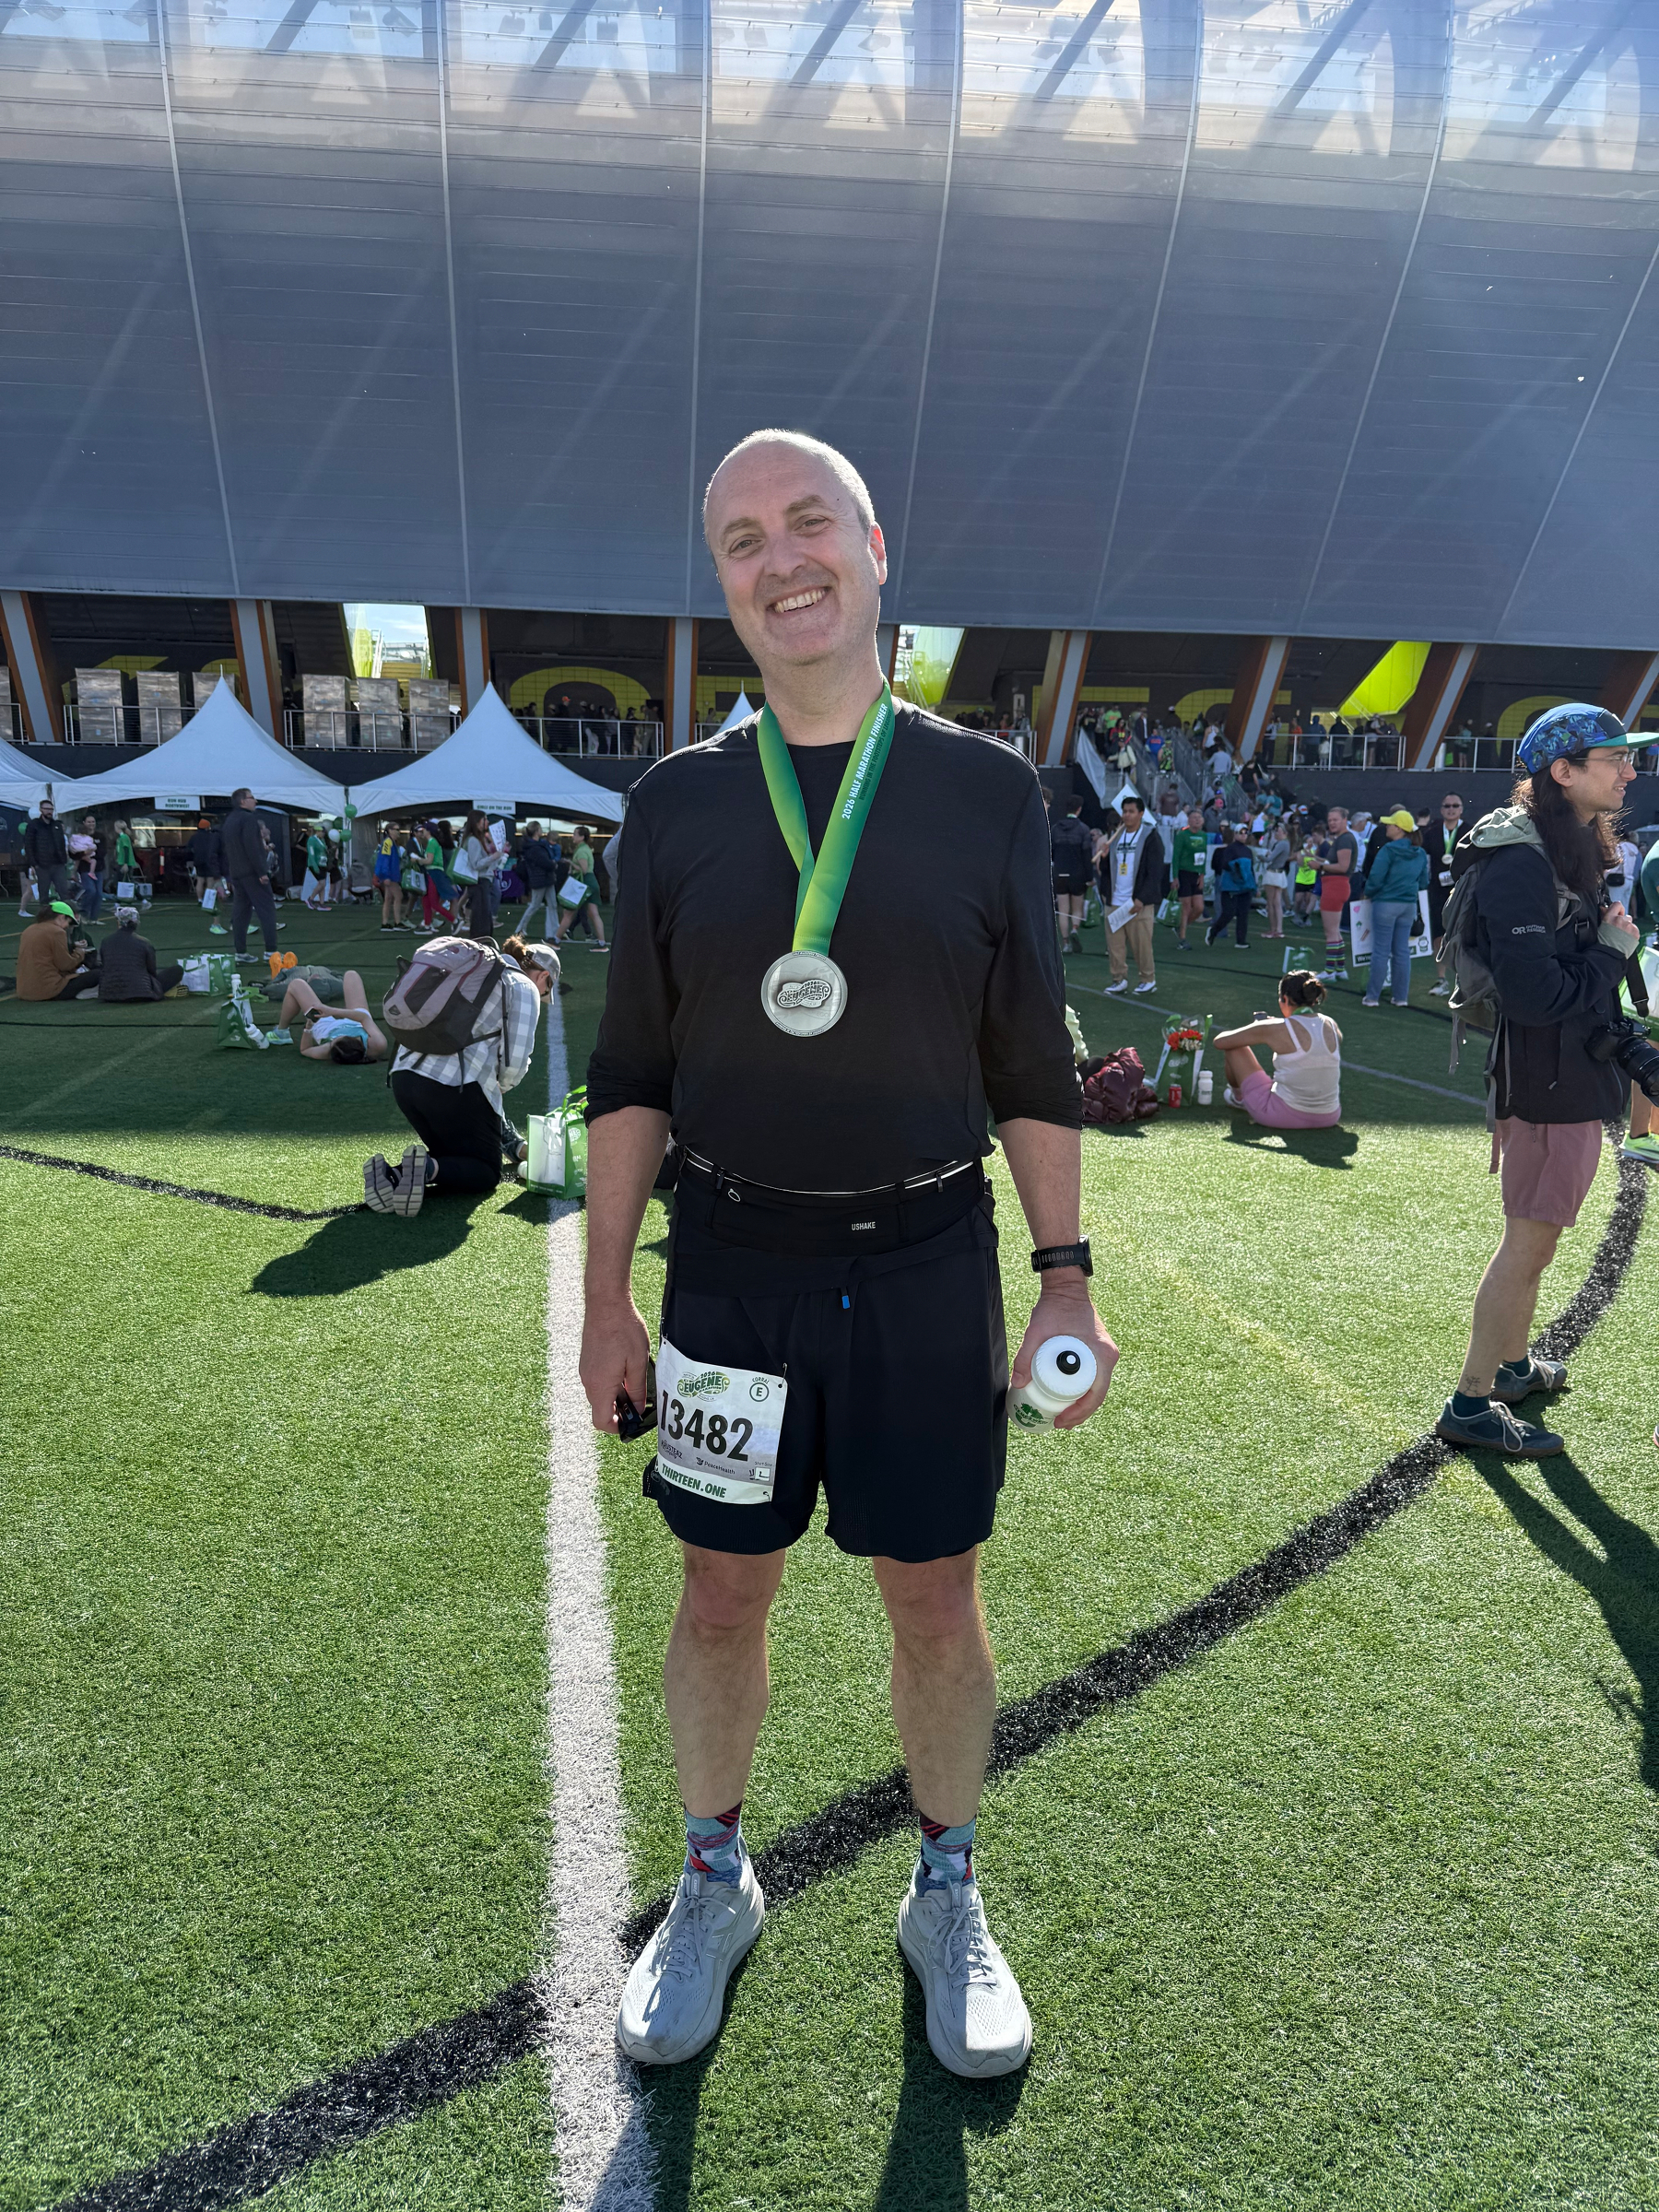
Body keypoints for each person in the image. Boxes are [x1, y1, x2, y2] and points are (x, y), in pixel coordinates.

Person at [582, 428, 1116, 2085]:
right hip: (728, 1272)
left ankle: (946, 1888)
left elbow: (1029, 1053)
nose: (779, 556)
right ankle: (710, 1877)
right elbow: (632, 1074)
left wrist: (1067, 1273)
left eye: (808, 521)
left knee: (935, 1600)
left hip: (923, 1263)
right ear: (724, 581)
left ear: (879, 548)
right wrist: (606, 1295)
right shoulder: (673, 806)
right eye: (741, 538)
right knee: (719, 1593)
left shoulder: (982, 789)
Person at [1434, 705, 1641, 1459]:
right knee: (1528, 1242)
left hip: (1566, 1071)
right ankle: (1469, 1402)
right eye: (1615, 758)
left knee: (1541, 1241)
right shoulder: (1523, 861)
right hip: (1546, 1077)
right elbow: (1534, 996)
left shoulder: (1564, 846)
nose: (1629, 772)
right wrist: (1615, 950)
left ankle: (1513, 1368)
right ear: (1563, 771)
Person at [364, 935, 558, 1213]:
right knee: (485, 1171)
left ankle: (391, 1175)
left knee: (454, 1156)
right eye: (545, 992)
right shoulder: (523, 986)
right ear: (544, 977)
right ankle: (422, 1168)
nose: (542, 997)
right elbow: (514, 1064)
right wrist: (498, 1091)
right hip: (455, 1086)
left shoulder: (473, 970)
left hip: (403, 1078)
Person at [1213, 971, 1342, 1130]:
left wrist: (1259, 1027)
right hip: (1329, 1116)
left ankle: (1238, 1098)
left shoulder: (1274, 1028)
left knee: (1234, 1047)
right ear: (1313, 1000)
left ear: (1285, 999)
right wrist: (1278, 1026)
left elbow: (1220, 1042)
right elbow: (1318, 1040)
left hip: (1283, 1116)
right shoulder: (1330, 1024)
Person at [1359, 809, 1430, 1008]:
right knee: (1402, 952)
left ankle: (1372, 997)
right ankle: (1401, 997)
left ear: (1399, 829)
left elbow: (1375, 879)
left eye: (1390, 824)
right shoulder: (1420, 853)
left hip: (1385, 904)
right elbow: (1424, 882)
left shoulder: (1388, 850)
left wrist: (1370, 892)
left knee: (1381, 951)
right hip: (1408, 906)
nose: (1387, 827)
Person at [1100, 793, 1165, 994]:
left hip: (1138, 902)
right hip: (1115, 901)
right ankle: (1119, 979)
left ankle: (1148, 979)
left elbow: (1155, 871)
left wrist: (1142, 898)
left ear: (1141, 814)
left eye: (1131, 812)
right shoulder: (1116, 835)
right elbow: (1108, 868)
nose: (1126, 815)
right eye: (1124, 811)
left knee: (1141, 945)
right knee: (1115, 946)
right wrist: (1103, 857)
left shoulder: (1150, 836)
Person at [274, 970, 388, 1060]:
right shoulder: (377, 1044)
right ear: (358, 1042)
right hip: (358, 1023)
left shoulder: (326, 1050)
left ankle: (281, 1033)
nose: (338, 1036)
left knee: (296, 984)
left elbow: (305, 1050)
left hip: (327, 1028)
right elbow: (364, 1018)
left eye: (334, 1040)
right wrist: (331, 1010)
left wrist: (308, 1029)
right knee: (351, 975)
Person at [223, 786, 281, 965]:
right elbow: (253, 848)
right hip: (252, 873)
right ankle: (271, 952)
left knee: (241, 913)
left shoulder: (230, 820)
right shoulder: (248, 819)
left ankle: (241, 952)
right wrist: (262, 872)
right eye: (251, 797)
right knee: (267, 910)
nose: (255, 800)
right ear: (243, 801)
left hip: (237, 873)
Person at [93, 906, 184, 1001]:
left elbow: (105, 966)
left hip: (108, 993)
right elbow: (151, 970)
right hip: (140, 992)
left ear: (118, 922)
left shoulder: (106, 941)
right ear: (136, 923)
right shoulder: (144, 942)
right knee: (177, 970)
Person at [17, 901, 100, 1001]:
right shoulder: (57, 932)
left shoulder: (29, 930)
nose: (67, 926)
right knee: (97, 974)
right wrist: (80, 952)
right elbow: (65, 965)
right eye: (68, 922)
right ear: (61, 917)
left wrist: (72, 946)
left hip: (24, 991)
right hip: (48, 991)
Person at [1314, 804, 1357, 976]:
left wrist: (1320, 866)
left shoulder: (1345, 839)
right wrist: (1316, 860)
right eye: (1330, 820)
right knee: (1335, 930)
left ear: (1345, 820)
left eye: (1335, 820)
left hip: (1335, 885)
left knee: (1330, 931)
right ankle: (1339, 969)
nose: (1332, 823)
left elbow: (1343, 866)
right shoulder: (1342, 838)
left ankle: (1330, 970)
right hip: (1337, 885)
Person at [1049, 794, 1094, 955]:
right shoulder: (1083, 829)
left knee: (1062, 910)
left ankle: (1066, 942)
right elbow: (1087, 856)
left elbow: (1051, 853)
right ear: (1079, 809)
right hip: (1077, 874)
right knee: (1077, 908)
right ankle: (1075, 929)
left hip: (1059, 873)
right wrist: (1090, 877)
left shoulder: (1055, 829)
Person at [556, 823, 607, 949]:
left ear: (582, 837)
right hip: (590, 882)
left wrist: (570, 863)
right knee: (594, 914)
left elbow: (583, 870)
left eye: (575, 834)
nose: (572, 836)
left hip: (584, 883)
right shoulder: (585, 849)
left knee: (568, 912)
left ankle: (556, 940)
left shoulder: (582, 850)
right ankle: (602, 943)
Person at [1206, 824, 1255, 948]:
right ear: (1235, 834)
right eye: (1241, 832)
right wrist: (1237, 870)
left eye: (1245, 832)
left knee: (1243, 914)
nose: (1243, 835)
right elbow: (1225, 864)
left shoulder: (1248, 851)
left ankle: (1241, 941)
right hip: (1231, 887)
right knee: (1228, 913)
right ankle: (1213, 931)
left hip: (1245, 887)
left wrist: (1254, 885)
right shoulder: (1230, 849)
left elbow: (1251, 870)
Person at [455, 810, 502, 938]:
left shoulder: (478, 839)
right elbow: (476, 864)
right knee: (482, 916)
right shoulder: (473, 840)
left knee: (483, 915)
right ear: (477, 822)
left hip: (482, 881)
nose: (487, 822)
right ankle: (480, 939)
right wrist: (494, 857)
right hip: (479, 881)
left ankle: (480, 938)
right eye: (484, 819)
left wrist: (496, 855)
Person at [23, 802, 72, 915]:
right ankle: (44, 917)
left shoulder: (57, 825)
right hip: (42, 864)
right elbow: (29, 845)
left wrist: (64, 860)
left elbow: (61, 844)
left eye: (51, 809)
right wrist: (34, 864)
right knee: (44, 893)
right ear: (41, 809)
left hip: (58, 863)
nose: (49, 811)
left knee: (64, 891)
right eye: (47, 809)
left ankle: (67, 915)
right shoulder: (34, 825)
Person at [1170, 806, 1207, 949]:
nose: (1197, 820)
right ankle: (1183, 939)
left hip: (1196, 874)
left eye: (1199, 818)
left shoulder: (1204, 836)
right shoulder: (1182, 835)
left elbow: (1204, 856)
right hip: (1184, 873)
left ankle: (1181, 927)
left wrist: (1202, 875)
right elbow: (1176, 857)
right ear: (1189, 820)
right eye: (1194, 818)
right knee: (1185, 907)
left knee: (1198, 907)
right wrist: (1175, 877)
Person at [517, 820, 560, 934]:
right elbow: (545, 863)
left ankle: (554, 930)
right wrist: (553, 864)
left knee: (551, 905)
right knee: (536, 905)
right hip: (541, 879)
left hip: (544, 878)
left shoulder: (533, 846)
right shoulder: (536, 848)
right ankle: (520, 928)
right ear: (537, 831)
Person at [1257, 818, 1290, 939]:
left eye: (1278, 831)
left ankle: (1273, 929)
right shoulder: (1286, 844)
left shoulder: (1282, 844)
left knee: (1271, 903)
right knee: (1277, 902)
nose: (1276, 833)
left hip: (1273, 873)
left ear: (1284, 833)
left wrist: (1261, 857)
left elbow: (1269, 859)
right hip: (1280, 873)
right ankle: (1279, 929)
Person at [374, 823, 407, 931]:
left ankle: (385, 923)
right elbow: (384, 859)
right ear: (389, 831)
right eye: (396, 830)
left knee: (388, 899)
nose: (398, 832)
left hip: (390, 875)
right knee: (398, 896)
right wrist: (386, 876)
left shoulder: (391, 843)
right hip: (390, 876)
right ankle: (397, 922)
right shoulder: (388, 842)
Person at [301, 823, 332, 909]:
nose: (324, 834)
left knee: (323, 884)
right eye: (322, 832)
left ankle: (321, 903)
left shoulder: (322, 840)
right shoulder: (311, 840)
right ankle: (310, 899)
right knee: (321, 882)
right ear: (317, 831)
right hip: (315, 863)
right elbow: (311, 853)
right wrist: (314, 865)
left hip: (323, 863)